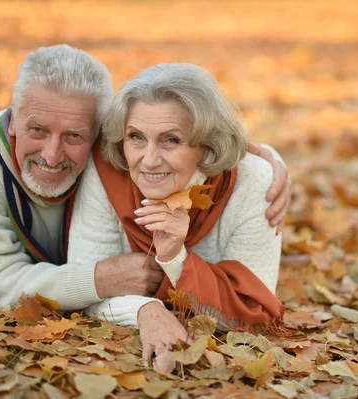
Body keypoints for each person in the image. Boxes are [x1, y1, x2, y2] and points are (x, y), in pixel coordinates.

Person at [0, 45, 291, 315]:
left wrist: (259, 157)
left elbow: (169, 122)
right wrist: (99, 282)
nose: (52, 155)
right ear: (12, 119)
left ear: (102, 132)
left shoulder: (118, 145)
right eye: (37, 130)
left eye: (74, 136)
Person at [67, 63, 285, 366]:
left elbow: (254, 315)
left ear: (207, 146)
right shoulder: (106, 170)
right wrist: (146, 311)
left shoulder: (256, 183)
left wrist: (175, 258)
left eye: (171, 140)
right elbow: (85, 286)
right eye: (136, 137)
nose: (150, 160)